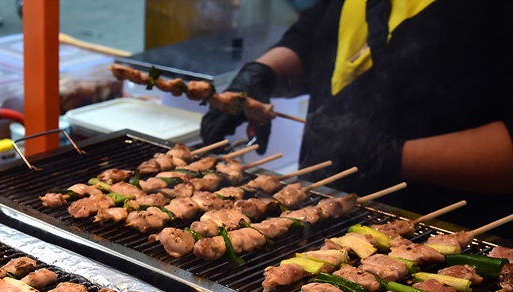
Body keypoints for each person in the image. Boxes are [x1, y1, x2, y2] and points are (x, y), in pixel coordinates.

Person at [201, 0, 513, 229]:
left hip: (442, 232)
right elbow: (315, 36)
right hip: (320, 206)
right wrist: (262, 75)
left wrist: (388, 156)